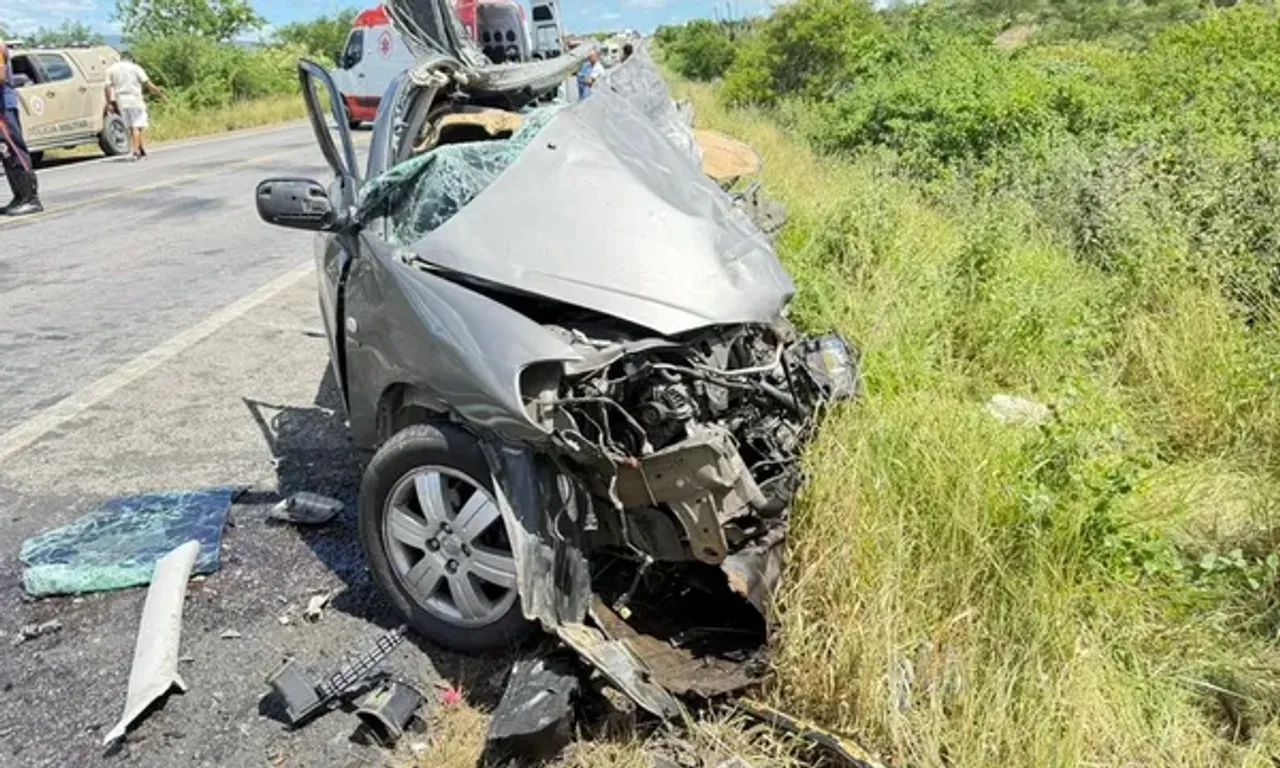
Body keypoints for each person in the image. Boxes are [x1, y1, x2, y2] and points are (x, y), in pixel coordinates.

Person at [0, 40, 42, 216]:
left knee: (15, 150)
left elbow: (1, 75)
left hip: (3, 106)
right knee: (6, 153)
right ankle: (19, 196)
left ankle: (31, 198)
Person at [105, 51, 164, 161]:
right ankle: (136, 151)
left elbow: (107, 86)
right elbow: (146, 82)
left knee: (131, 126)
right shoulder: (136, 68)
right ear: (131, 58)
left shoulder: (111, 69)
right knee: (138, 125)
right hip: (135, 99)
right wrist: (158, 92)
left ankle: (141, 149)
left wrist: (109, 103)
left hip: (121, 100)